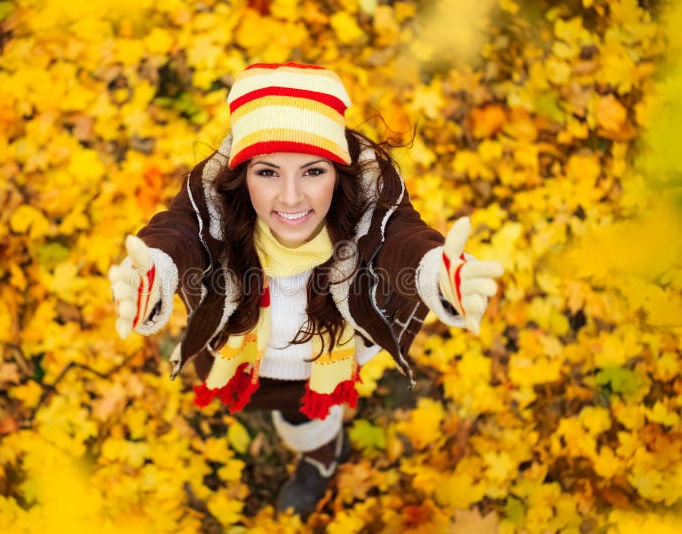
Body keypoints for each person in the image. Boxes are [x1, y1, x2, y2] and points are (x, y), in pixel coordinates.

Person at [109, 62, 503, 517]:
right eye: (268, 173)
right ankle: (307, 433)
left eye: (313, 172)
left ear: (339, 172)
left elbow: (399, 238)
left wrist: (434, 271)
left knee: (314, 410)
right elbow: (182, 232)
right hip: (248, 356)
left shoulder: (364, 202)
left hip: (332, 355)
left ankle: (319, 455)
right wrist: (158, 269)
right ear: (242, 175)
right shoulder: (218, 203)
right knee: (284, 408)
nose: (291, 198)